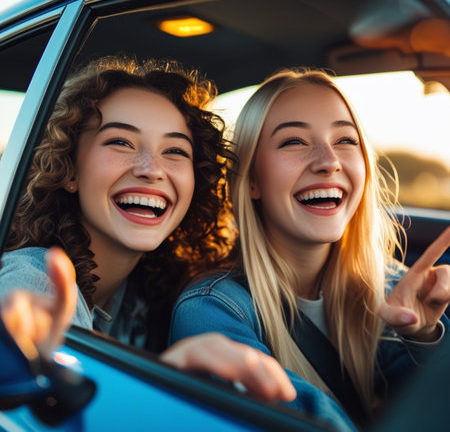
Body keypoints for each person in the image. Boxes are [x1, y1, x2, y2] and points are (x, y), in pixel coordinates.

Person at [0, 56, 296, 403]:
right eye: (120, 142)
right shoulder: (36, 274)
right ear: (69, 170)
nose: (151, 169)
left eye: (174, 150)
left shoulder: (157, 291)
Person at [169, 68, 450, 430]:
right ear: (252, 180)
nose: (328, 161)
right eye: (294, 142)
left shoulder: (388, 283)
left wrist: (424, 337)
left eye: (345, 140)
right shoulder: (211, 308)